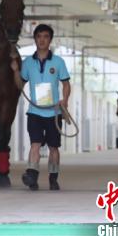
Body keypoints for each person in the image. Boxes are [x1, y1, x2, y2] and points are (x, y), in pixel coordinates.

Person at [14, 24, 71, 191]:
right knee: (35, 144)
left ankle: (53, 178)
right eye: (39, 36)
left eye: (45, 36)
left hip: (54, 112)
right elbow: (19, 85)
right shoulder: (27, 63)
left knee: (54, 147)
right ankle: (32, 176)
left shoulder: (59, 62)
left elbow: (66, 84)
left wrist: (65, 100)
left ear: (50, 40)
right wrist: (16, 71)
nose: (42, 40)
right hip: (35, 112)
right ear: (35, 39)